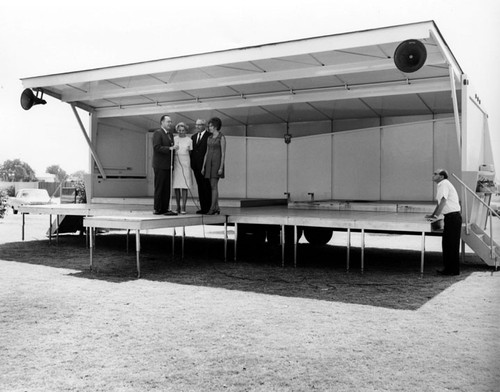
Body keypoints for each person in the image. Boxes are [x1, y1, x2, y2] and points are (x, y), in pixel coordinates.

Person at [425, 169, 462, 275]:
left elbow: (443, 201)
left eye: (435, 174)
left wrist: (436, 216)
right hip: (451, 217)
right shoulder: (442, 184)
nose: (433, 175)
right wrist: (433, 215)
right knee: (447, 244)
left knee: (451, 245)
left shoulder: (443, 184)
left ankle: (452, 271)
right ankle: (449, 269)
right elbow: (440, 202)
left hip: (453, 217)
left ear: (441, 177)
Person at [152, 115, 177, 215]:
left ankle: (165, 207)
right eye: (168, 122)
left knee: (167, 187)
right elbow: (157, 147)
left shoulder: (170, 134)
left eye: (170, 122)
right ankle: (157, 208)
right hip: (160, 165)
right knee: (160, 187)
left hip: (168, 165)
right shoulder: (158, 133)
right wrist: (169, 149)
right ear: (162, 122)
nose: (170, 124)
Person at [202, 117, 226, 215]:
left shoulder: (222, 137)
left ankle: (212, 208)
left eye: (211, 126)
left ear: (215, 126)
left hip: (216, 163)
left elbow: (223, 154)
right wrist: (203, 166)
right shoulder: (209, 138)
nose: (209, 127)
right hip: (209, 163)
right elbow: (206, 152)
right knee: (212, 186)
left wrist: (221, 167)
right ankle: (216, 207)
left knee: (214, 185)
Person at [190, 119, 212, 214]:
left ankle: (208, 207)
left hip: (205, 166)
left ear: (204, 125)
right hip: (195, 166)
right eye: (196, 125)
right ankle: (203, 207)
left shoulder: (209, 136)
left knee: (206, 186)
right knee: (200, 186)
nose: (197, 127)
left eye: (199, 125)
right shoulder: (193, 137)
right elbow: (192, 152)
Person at [172, 122, 193, 214]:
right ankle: (178, 206)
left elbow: (191, 153)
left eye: (183, 130)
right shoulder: (174, 139)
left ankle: (184, 206)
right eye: (179, 130)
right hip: (176, 162)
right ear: (177, 130)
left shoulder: (189, 140)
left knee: (185, 186)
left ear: (186, 130)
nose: (181, 132)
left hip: (185, 163)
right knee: (177, 186)